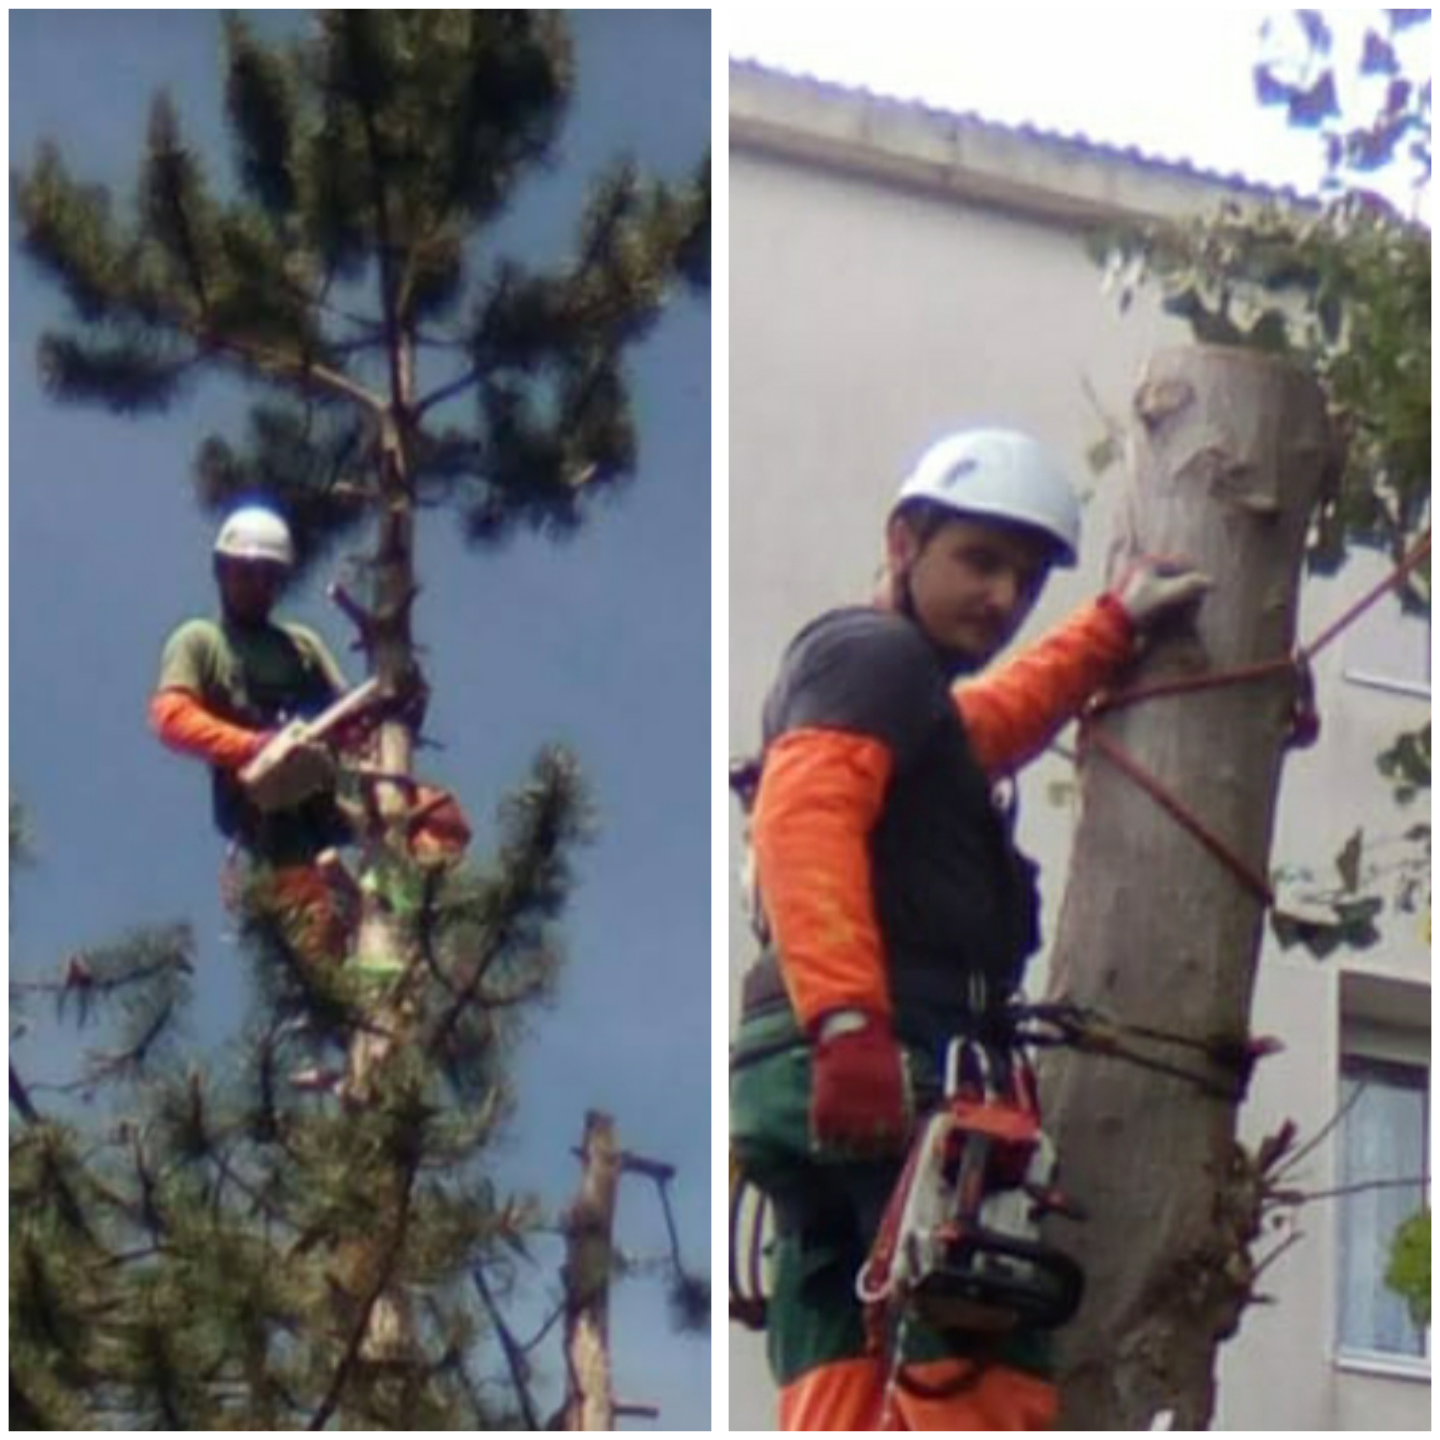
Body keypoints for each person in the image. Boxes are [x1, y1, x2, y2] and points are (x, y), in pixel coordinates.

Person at [730, 428, 1211, 1431]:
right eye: (980, 562)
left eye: (1025, 581)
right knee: (976, 1348)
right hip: (891, 1053)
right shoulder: (874, 654)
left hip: (812, 1074)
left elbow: (988, 723)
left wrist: (1109, 627)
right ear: (903, 542)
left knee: (841, 1370)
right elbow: (802, 818)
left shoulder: (900, 692)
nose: (1002, 598)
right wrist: (851, 1027)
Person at [150, 503, 359, 972]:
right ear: (221, 572)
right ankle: (337, 974)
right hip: (266, 808)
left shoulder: (300, 645)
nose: (258, 586)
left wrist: (392, 709)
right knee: (315, 929)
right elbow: (171, 716)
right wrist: (252, 746)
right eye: (246, 573)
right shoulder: (201, 641)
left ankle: (411, 903)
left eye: (269, 576)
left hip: (327, 791)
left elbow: (350, 722)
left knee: (425, 825)